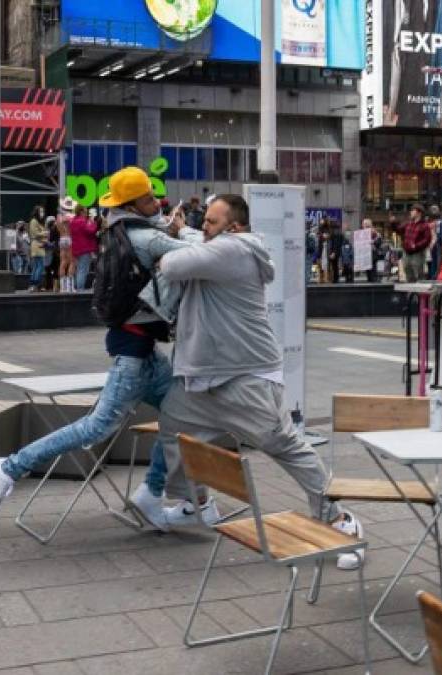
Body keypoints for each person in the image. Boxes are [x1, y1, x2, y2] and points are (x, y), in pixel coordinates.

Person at [0, 166, 203, 528]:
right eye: (148, 198)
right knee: (95, 428)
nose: (155, 201)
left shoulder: (120, 228)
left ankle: (152, 494)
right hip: (133, 353)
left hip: (142, 350)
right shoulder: (148, 238)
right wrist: (185, 227)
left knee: (184, 415)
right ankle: (6, 469)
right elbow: (203, 251)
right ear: (132, 203)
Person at [153, 194, 365, 570]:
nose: (206, 227)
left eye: (213, 223)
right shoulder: (220, 247)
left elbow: (171, 264)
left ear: (235, 228)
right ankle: (196, 504)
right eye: (205, 221)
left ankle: (339, 520)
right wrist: (184, 228)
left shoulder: (234, 251)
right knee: (173, 426)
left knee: (282, 443)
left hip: (245, 376)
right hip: (204, 376)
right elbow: (194, 244)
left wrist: (177, 238)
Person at [394, 204, 432, 283]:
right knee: (408, 273)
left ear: (419, 213)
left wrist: (416, 246)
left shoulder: (424, 225)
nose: (410, 212)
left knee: (418, 274)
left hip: (417, 253)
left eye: (413, 210)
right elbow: (398, 230)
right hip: (407, 252)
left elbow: (427, 239)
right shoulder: (408, 223)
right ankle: (411, 293)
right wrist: (393, 223)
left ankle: (420, 294)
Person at [69, 203, 98, 291]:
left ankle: (76, 287)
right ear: (81, 211)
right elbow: (91, 231)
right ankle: (80, 289)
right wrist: (93, 223)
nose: (86, 212)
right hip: (84, 248)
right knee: (83, 270)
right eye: (85, 210)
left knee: (79, 269)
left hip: (76, 249)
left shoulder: (73, 221)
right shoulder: (82, 221)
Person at [57, 196, 76, 293]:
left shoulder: (59, 217)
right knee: (72, 262)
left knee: (63, 262)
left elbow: (58, 227)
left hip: (62, 239)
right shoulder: (72, 216)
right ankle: (70, 287)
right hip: (70, 238)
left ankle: (62, 288)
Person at [27, 206, 47, 291]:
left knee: (36, 266)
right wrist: (45, 233)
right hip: (37, 245)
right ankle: (35, 284)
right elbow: (35, 233)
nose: (42, 213)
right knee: (40, 266)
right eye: (41, 211)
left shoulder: (37, 222)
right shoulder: (34, 221)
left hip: (39, 245)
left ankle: (33, 285)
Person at [43, 215, 60, 292]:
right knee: (54, 270)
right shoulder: (56, 229)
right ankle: (54, 287)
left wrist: (47, 244)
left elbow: (53, 242)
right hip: (54, 253)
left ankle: (52, 287)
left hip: (51, 253)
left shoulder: (49, 231)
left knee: (50, 270)